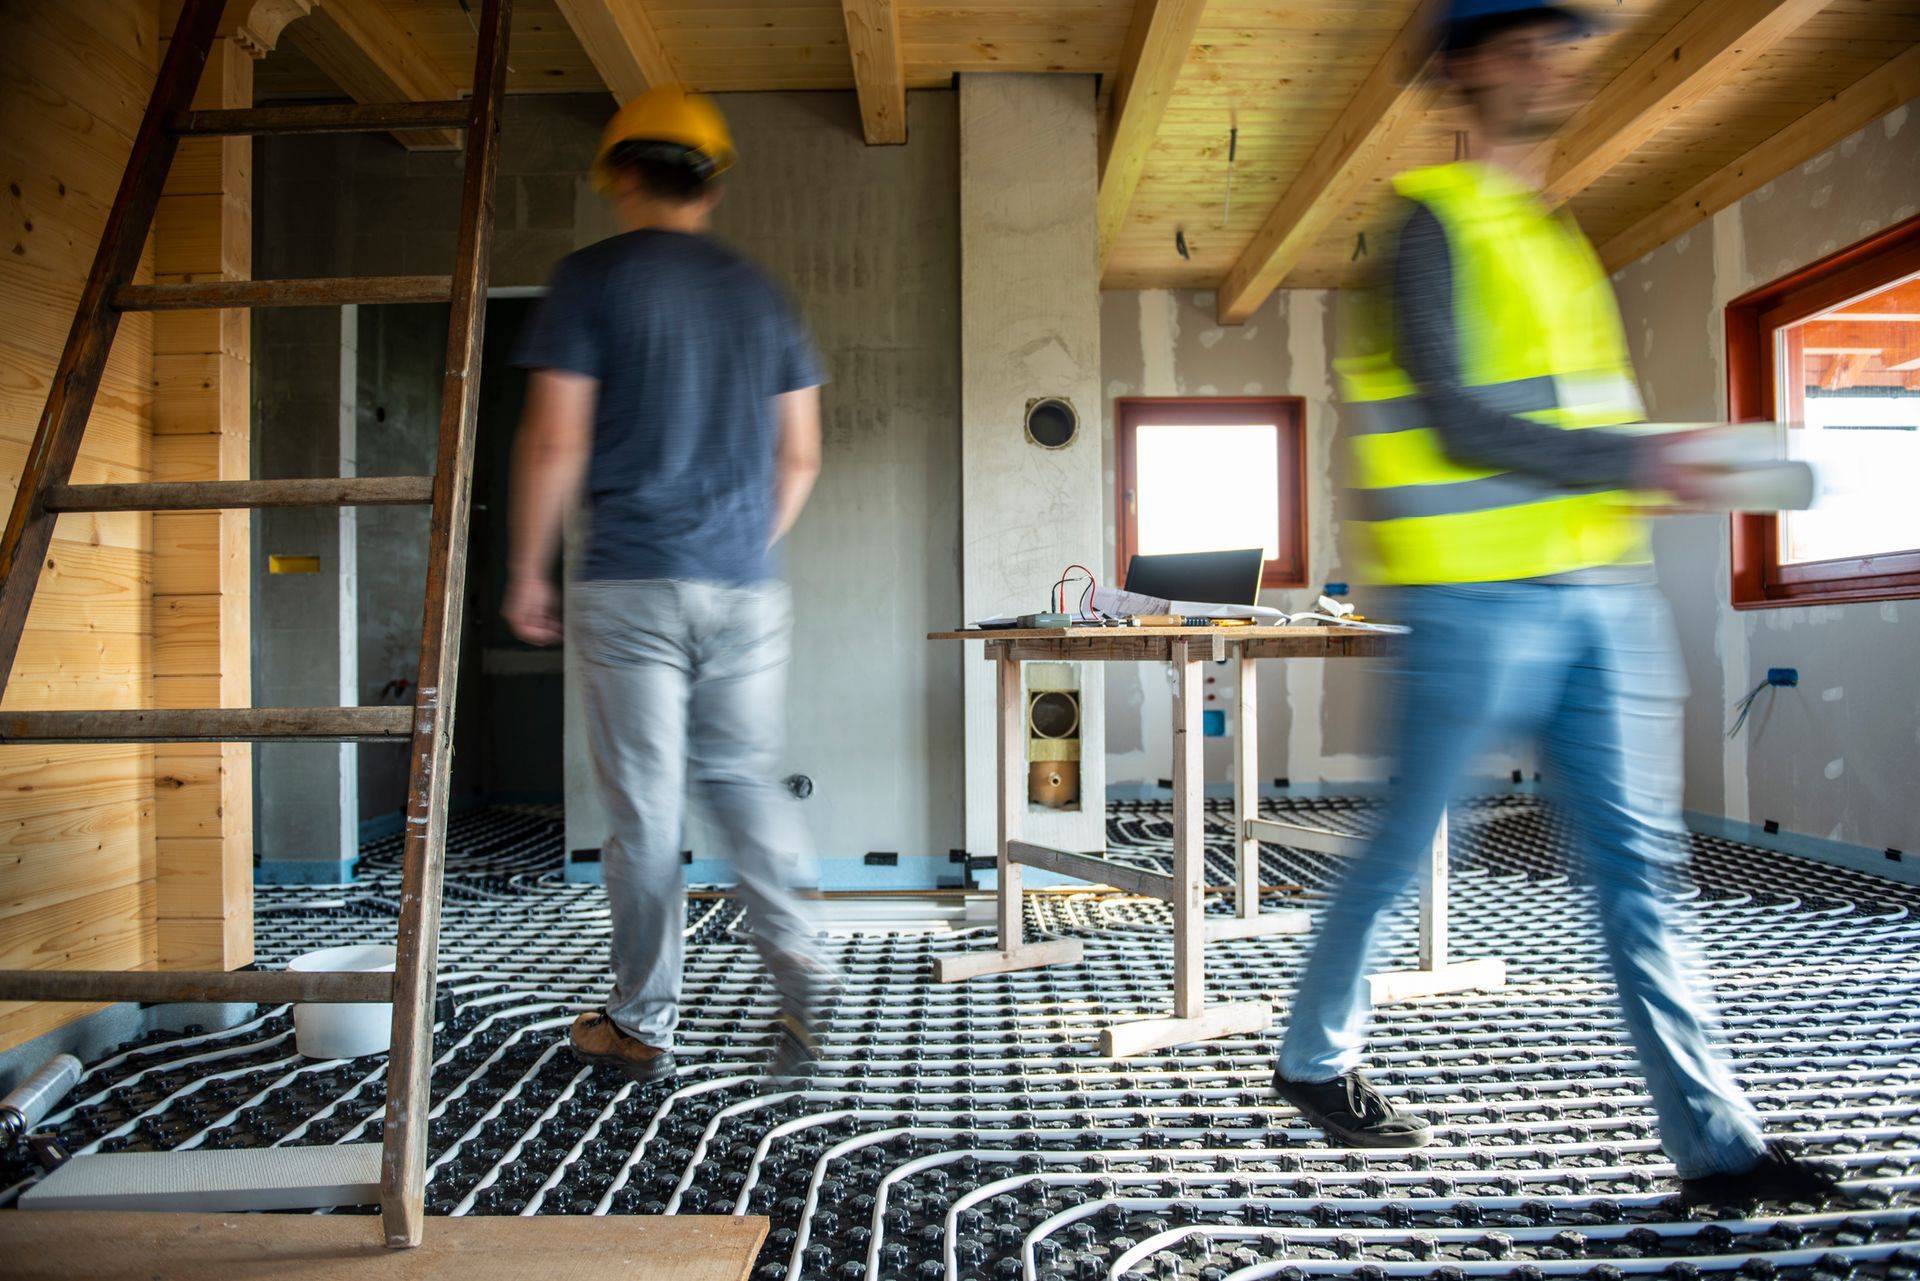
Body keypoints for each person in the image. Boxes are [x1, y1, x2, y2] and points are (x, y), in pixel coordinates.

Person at [1270, 0, 1843, 1206]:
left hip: (1602, 590)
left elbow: (1582, 418)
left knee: (1643, 866)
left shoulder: (1556, 234)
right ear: (1465, 69)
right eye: (1524, 40)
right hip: (1474, 601)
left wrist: (1676, 458)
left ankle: (1722, 1149)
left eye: (1562, 39)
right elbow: (1453, 417)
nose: (1555, 60)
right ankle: (1314, 1057)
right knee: (1406, 844)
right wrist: (1644, 465)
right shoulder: (1427, 227)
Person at [503, 88, 829, 1083]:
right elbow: (803, 456)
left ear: (624, 175)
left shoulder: (589, 279)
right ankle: (802, 969)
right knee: (743, 781)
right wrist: (740, 544)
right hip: (744, 584)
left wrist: (526, 566)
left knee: (646, 807)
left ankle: (643, 1024)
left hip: (631, 581)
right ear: (714, 181)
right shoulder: (760, 292)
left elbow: (556, 435)